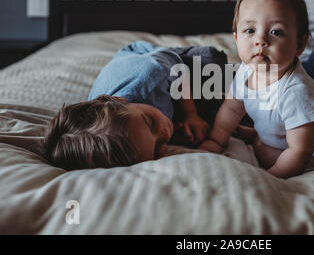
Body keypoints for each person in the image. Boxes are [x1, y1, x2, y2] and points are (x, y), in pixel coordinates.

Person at [199, 0, 314, 179]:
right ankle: (262, 137)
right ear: (236, 38)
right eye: (250, 30)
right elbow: (232, 108)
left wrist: (271, 177)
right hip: (297, 140)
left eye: (276, 32)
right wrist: (215, 141)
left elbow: (300, 152)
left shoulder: (296, 92)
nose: (260, 40)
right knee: (259, 142)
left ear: (300, 45)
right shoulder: (246, 70)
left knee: (264, 151)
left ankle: (263, 141)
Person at [41, 42, 229, 170]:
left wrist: (189, 113)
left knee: (212, 62)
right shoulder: (134, 130)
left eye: (150, 122)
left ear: (122, 102)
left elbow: (175, 67)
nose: (165, 132)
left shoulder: (149, 77)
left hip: (155, 57)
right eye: (157, 149)